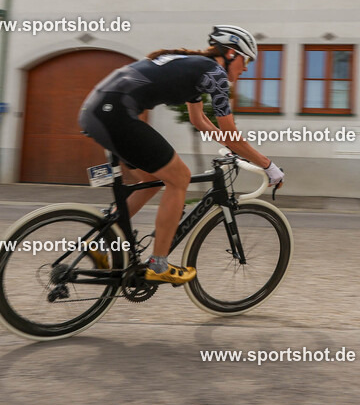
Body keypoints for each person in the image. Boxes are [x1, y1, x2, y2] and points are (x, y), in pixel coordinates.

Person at [78, 25, 285, 284]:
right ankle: (159, 264)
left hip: (96, 112)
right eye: (246, 61)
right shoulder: (215, 73)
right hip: (115, 113)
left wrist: (236, 150)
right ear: (232, 53)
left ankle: (100, 241)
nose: (246, 69)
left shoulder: (197, 68)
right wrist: (268, 165)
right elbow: (230, 132)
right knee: (179, 178)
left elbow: (199, 121)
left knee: (150, 180)